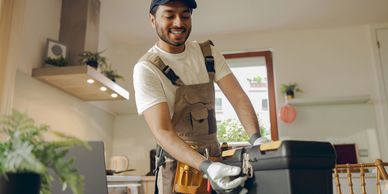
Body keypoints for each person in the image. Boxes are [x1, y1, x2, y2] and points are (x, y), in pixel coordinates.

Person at [133, 0, 266, 193]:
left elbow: (238, 97)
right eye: (169, 15)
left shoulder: (208, 54)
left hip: (214, 158)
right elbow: (163, 131)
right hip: (178, 168)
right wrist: (206, 167)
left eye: (185, 15)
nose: (179, 23)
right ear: (152, 20)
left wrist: (256, 139)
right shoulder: (146, 68)